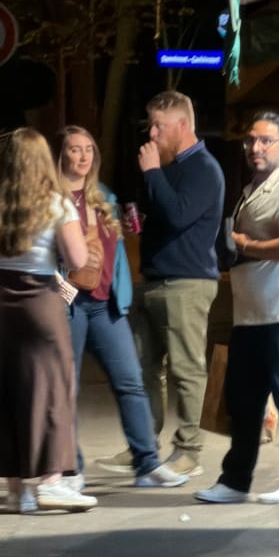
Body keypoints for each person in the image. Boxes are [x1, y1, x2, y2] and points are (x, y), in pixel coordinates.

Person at [0, 127, 96, 513]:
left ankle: (17, 492)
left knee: (5, 393)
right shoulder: (56, 203)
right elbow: (78, 259)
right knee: (52, 388)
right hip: (41, 304)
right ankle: (52, 481)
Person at [194, 111, 279, 504]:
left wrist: (247, 246)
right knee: (243, 401)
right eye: (251, 140)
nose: (256, 147)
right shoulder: (253, 186)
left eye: (266, 140)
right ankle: (235, 482)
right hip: (251, 313)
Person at [98, 91, 225, 478]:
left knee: (187, 369)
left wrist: (152, 173)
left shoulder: (204, 168)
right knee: (145, 369)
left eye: (159, 125)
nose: (151, 134)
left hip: (187, 282)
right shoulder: (170, 167)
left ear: (183, 125)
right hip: (155, 279)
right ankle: (144, 446)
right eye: (150, 125)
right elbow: (163, 216)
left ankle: (189, 450)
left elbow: (178, 215)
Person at [54, 125, 189, 488]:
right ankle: (69, 470)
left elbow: (114, 251)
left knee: (131, 382)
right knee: (65, 390)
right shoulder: (51, 199)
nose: (83, 156)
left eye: (88, 149)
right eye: (75, 149)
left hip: (105, 305)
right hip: (69, 305)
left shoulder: (104, 196)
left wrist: (122, 288)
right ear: (61, 155)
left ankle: (147, 465)